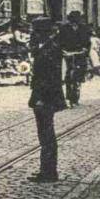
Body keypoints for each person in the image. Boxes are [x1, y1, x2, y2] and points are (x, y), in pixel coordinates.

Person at [28, 17, 65, 183]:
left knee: (46, 135)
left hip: (46, 97)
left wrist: (41, 99)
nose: (32, 35)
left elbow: (49, 77)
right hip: (43, 96)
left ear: (40, 33)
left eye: (34, 32)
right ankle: (47, 170)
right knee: (45, 135)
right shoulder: (46, 47)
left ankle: (49, 172)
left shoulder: (50, 49)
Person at [58, 11, 91, 106]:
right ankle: (69, 96)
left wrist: (85, 50)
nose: (74, 22)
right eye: (73, 20)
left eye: (76, 20)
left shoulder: (84, 28)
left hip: (80, 53)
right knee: (69, 72)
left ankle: (76, 93)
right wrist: (63, 50)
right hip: (68, 52)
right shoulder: (64, 28)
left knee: (79, 72)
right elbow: (60, 40)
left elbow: (88, 41)